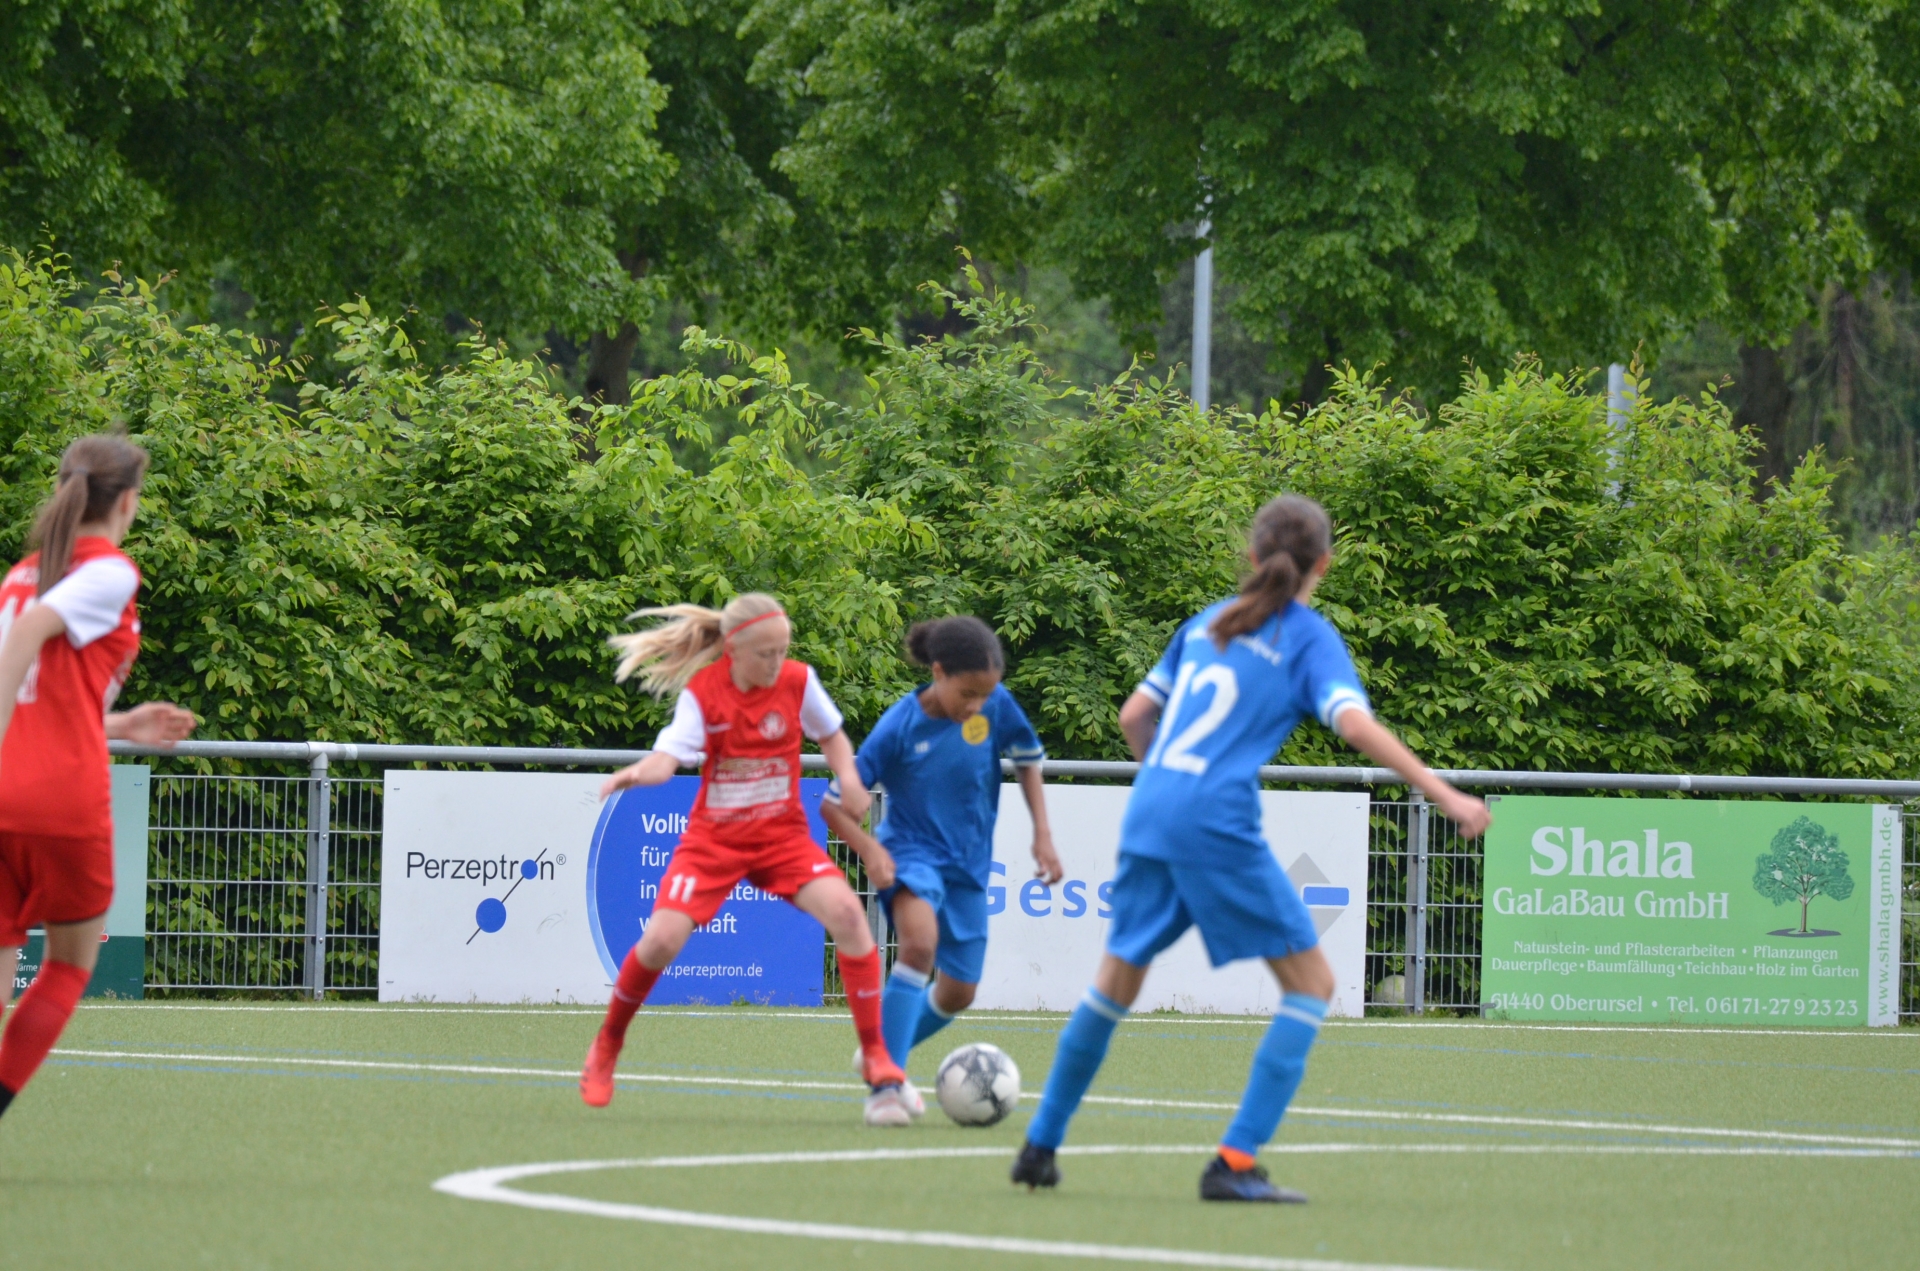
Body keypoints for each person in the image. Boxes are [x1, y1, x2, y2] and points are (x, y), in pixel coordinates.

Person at [1009, 494, 1491, 1202]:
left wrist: (1169, 786)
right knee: (1312, 987)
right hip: (1216, 821)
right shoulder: (1308, 637)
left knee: (1114, 983)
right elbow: (1354, 724)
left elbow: (1134, 714)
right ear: (1324, 564)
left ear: (1252, 553)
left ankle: (1040, 1143)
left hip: (1151, 807)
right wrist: (1444, 792)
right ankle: (1233, 1164)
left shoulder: (1208, 621)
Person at [579, 592, 912, 1125]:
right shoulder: (704, 693)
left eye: (783, 650)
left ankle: (877, 1057)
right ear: (733, 649)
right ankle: (607, 1044)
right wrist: (638, 772)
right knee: (660, 941)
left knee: (849, 915)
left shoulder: (798, 681)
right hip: (714, 842)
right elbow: (666, 761)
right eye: (765, 654)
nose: (777, 662)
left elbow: (831, 735)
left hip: (781, 838)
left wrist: (849, 777)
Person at [0, 434, 197, 1122]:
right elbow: (29, 637)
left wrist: (120, 723)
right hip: (60, 798)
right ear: (127, 502)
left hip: (7, 794)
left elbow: (34, 694)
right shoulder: (110, 570)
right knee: (68, 964)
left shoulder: (22, 573)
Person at [820, 617, 1060, 1120]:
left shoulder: (994, 703)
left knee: (958, 991)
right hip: (911, 856)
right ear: (937, 673)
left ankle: (880, 1048)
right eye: (967, 694)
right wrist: (869, 850)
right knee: (919, 945)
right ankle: (886, 1085)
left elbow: (1027, 758)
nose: (976, 706)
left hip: (969, 867)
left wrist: (1042, 832)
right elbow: (833, 805)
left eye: (984, 695)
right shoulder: (899, 726)